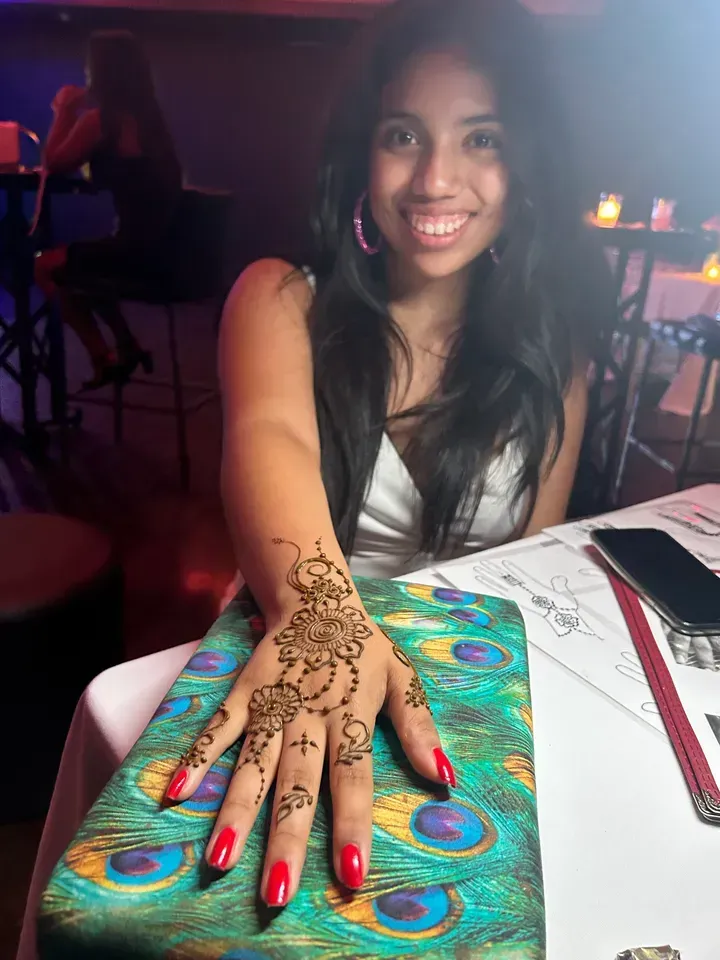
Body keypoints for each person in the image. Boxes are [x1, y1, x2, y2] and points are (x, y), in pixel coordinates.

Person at [34, 29, 182, 388]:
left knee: (45, 267)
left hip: (136, 253)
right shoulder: (151, 122)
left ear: (102, 72)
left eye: (89, 67)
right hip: (169, 252)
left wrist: (64, 111)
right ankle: (127, 346)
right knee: (83, 264)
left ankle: (104, 356)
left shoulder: (101, 122)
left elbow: (54, 161)